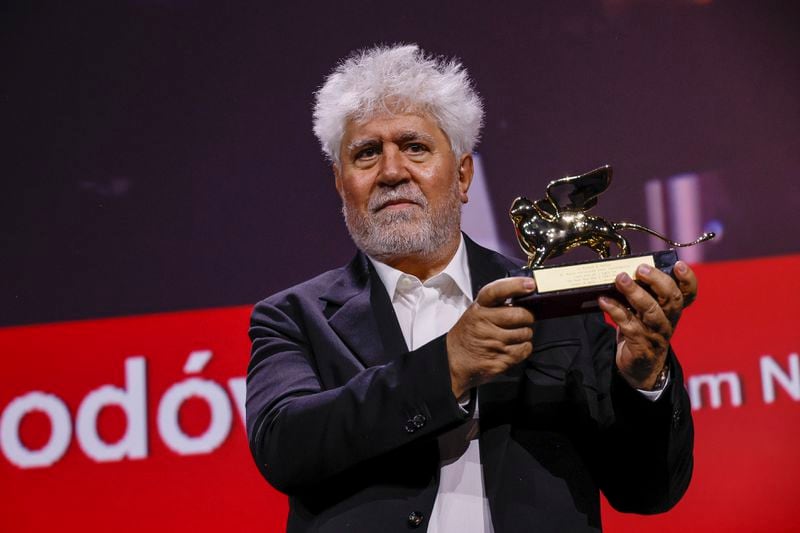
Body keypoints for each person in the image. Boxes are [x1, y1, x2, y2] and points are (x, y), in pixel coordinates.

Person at [246, 44, 694, 533]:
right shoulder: (293, 317)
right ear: (340, 184)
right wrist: (449, 365)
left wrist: (644, 380)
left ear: (462, 176)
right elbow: (284, 446)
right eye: (367, 153)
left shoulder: (558, 304)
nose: (392, 172)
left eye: (415, 147)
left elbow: (647, 491)